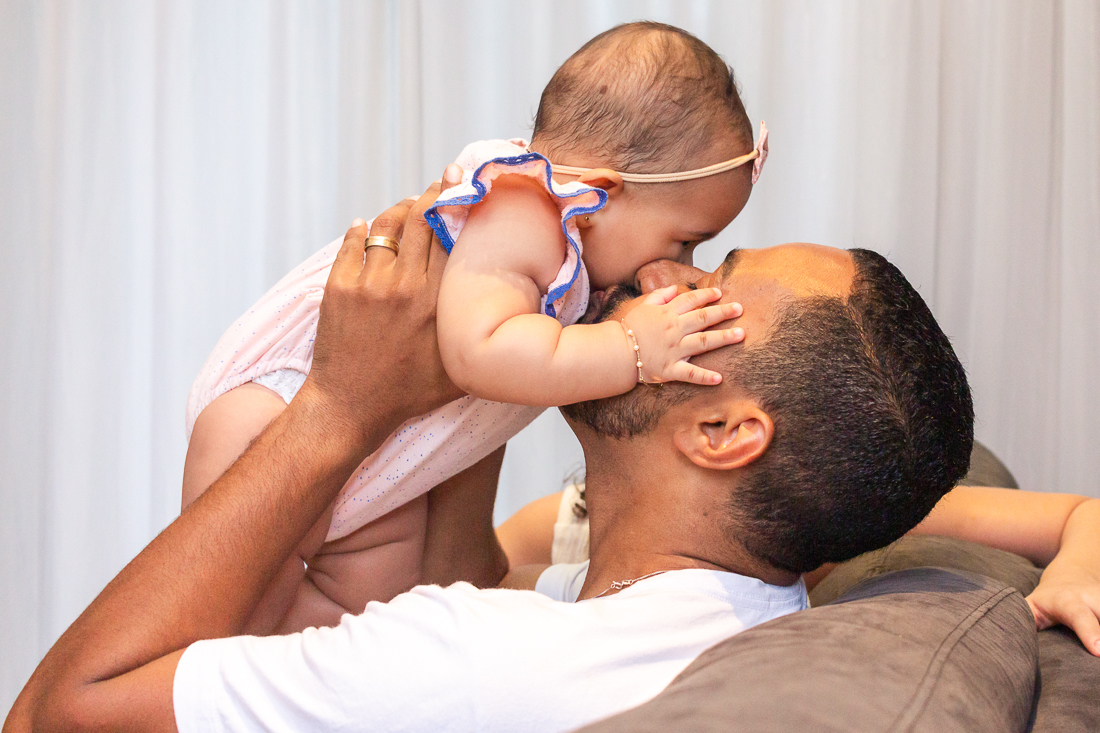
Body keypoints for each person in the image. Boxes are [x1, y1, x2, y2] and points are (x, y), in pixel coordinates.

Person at [8, 186, 1099, 733]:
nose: (662, 275)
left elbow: (58, 714)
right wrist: (478, 373)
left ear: (723, 435)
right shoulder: (697, 612)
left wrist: (339, 404)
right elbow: (466, 580)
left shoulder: (474, 661)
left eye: (711, 282)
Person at [183, 21, 763, 634]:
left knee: (364, 611)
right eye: (686, 240)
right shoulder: (525, 208)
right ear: (599, 192)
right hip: (275, 406)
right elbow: (478, 351)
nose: (681, 268)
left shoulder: (574, 259)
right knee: (233, 623)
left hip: (384, 452)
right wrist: (631, 348)